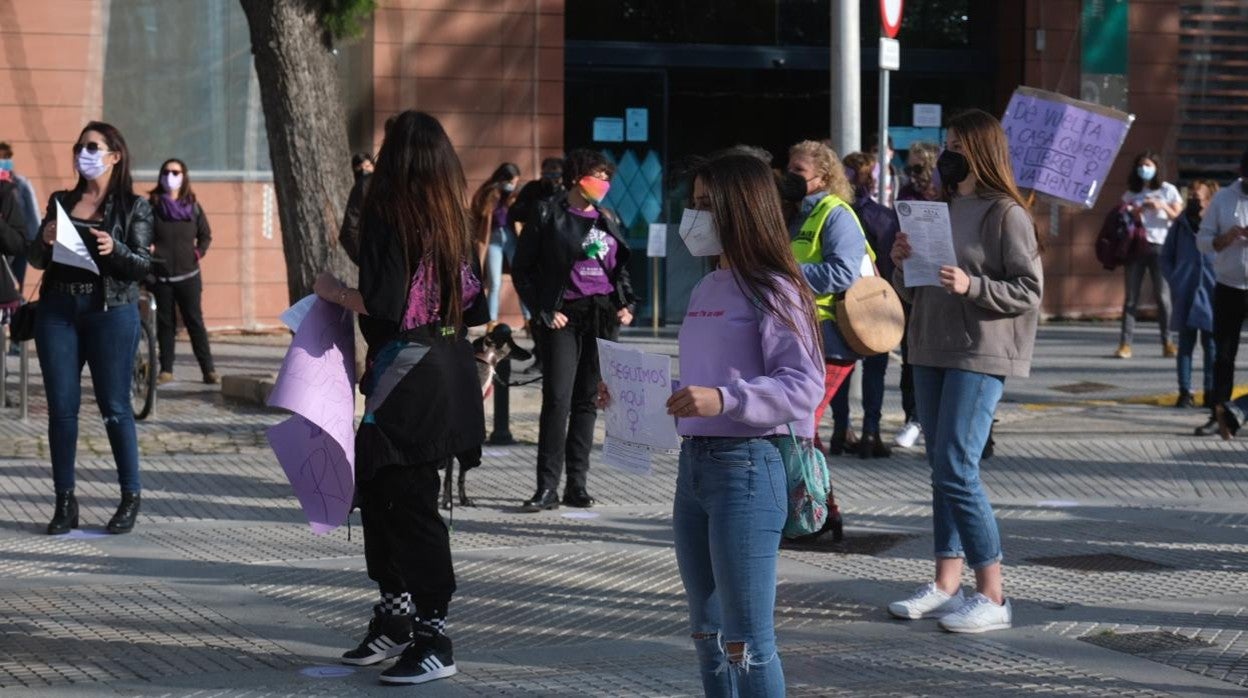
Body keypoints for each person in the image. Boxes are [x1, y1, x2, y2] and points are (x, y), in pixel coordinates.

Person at [599, 152, 822, 696]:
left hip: (748, 469)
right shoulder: (706, 289)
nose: (693, 218)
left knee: (747, 640)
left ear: (740, 211)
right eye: (692, 204)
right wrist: (637, 401)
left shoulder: (775, 287)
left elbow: (803, 386)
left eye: (705, 205)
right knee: (707, 632)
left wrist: (723, 399)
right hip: (695, 470)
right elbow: (699, 391)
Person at [312, 111, 486, 686]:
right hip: (445, 368)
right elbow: (475, 306)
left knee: (404, 500)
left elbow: (384, 301)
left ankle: (433, 630)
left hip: (410, 375)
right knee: (390, 492)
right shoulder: (455, 219)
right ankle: (397, 614)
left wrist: (331, 290)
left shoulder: (392, 214)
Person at [888, 109, 1043, 633]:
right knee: (942, 468)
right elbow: (913, 288)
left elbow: (1029, 289)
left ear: (981, 150)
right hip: (929, 345)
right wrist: (901, 259)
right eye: (945, 141)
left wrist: (972, 287)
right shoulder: (940, 208)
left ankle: (993, 595)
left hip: (980, 350)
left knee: (957, 465)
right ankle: (946, 584)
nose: (946, 151)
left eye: (957, 143)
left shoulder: (1007, 214)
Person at [27, 122, 153, 535]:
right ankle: (65, 501)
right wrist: (44, 238)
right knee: (61, 410)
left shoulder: (135, 207)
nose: (85, 153)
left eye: (93, 147)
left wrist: (113, 249)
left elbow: (142, 265)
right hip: (58, 310)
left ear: (114, 155)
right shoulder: (61, 200)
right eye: (80, 146)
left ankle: (129, 496)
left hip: (110, 312)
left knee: (115, 408)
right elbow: (36, 259)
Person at [512, 149, 635, 511]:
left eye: (607, 176)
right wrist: (543, 310)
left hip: (601, 316)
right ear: (577, 177)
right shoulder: (548, 212)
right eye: (597, 175)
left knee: (587, 401)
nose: (604, 183)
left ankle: (576, 485)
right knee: (558, 399)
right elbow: (522, 269)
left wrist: (626, 303)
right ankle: (546, 487)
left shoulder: (608, 217)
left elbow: (620, 268)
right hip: (563, 316)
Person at [786, 140, 868, 454]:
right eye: (789, 167)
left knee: (802, 429)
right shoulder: (794, 215)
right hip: (799, 334)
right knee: (802, 432)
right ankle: (821, 504)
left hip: (829, 337)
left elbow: (843, 273)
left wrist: (787, 272)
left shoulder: (836, 215)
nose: (790, 175)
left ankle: (817, 504)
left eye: (799, 170)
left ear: (822, 178)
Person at [831, 152, 899, 459]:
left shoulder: (833, 215)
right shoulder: (883, 218)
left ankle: (840, 430)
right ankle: (871, 430)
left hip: (841, 304)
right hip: (876, 304)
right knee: (875, 370)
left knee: (842, 369)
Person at [148, 158, 216, 385]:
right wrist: (149, 251)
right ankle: (166, 369)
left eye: (176, 172)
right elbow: (143, 235)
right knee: (165, 325)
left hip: (189, 276)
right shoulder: (153, 206)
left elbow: (206, 235)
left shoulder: (193, 206)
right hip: (162, 276)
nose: (170, 176)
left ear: (184, 176)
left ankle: (208, 370)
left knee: (195, 322)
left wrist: (197, 253)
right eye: (166, 172)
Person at [892, 141, 942, 448]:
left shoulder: (947, 194)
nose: (911, 169)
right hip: (914, 278)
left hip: (946, 282)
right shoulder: (907, 193)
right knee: (911, 354)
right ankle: (914, 416)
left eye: (915, 163)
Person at [1197, 147, 1248, 440]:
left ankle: (1239, 412)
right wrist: (1222, 239)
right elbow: (1202, 240)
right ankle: (1219, 414)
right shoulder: (1224, 198)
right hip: (1228, 285)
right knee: (1223, 355)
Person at [1115, 150, 1183, 360]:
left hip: (1160, 246)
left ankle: (1168, 342)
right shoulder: (1130, 193)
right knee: (1131, 298)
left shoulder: (1167, 190)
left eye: (1148, 166)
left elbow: (1179, 217)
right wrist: (1134, 212)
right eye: (1141, 166)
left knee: (1163, 298)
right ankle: (1125, 344)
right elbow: (1121, 218)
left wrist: (1161, 205)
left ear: (1156, 168)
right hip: (1136, 247)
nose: (1144, 170)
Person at [1159, 179, 1218, 411]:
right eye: (1191, 197)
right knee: (1185, 345)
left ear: (1209, 200)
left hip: (1212, 291)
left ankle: (1210, 391)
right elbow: (1165, 257)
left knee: (1211, 346)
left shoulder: (1216, 224)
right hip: (1185, 290)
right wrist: (1175, 278)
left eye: (1198, 197)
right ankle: (1185, 391)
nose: (1194, 201)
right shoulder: (1180, 225)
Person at [470, 162, 524, 327]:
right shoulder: (488, 193)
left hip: (511, 237)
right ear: (503, 179)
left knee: (521, 279)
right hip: (493, 238)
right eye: (511, 181)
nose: (513, 185)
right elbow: (478, 215)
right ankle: (491, 322)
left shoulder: (516, 194)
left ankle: (529, 319)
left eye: (515, 182)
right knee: (494, 282)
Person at [0, 142, 41, 290]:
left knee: (15, 285)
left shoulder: (20, 183)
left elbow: (32, 211)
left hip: (19, 241)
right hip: (4, 242)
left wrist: (34, 241)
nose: (3, 162)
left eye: (5, 158)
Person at [338, 151, 375, 264]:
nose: (364, 171)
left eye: (367, 166)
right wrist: (367, 261)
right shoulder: (362, 187)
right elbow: (348, 232)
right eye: (359, 168)